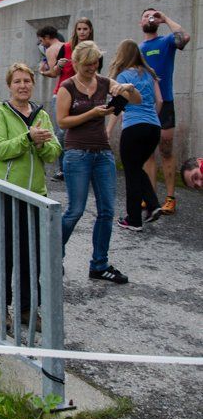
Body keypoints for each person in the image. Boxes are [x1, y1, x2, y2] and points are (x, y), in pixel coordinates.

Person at [56, 41, 141, 285]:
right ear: (76, 63)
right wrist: (92, 114)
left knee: (107, 211)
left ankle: (99, 265)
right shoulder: (67, 86)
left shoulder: (104, 82)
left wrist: (128, 88)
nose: (92, 68)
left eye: (95, 63)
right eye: (87, 64)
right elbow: (62, 122)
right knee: (75, 210)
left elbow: (135, 100)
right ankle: (53, 254)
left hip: (102, 153)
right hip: (76, 153)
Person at [0, 64, 61, 331]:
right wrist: (27, 138)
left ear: (32, 84)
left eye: (27, 81)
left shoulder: (42, 114)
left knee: (32, 254)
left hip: (34, 195)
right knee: (4, 252)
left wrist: (40, 144)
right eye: (17, 81)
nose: (23, 86)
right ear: (9, 85)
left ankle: (28, 308)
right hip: (4, 192)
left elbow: (54, 151)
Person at [139, 8, 190, 215]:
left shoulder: (167, 41)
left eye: (153, 15)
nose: (150, 18)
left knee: (166, 150)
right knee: (147, 153)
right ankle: (150, 197)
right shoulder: (138, 48)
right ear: (140, 23)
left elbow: (184, 37)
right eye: (146, 16)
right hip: (144, 105)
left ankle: (170, 198)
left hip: (165, 103)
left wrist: (165, 19)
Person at [108, 40, 163, 230]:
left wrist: (108, 130)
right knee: (137, 168)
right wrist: (151, 118)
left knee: (131, 172)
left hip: (133, 127)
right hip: (154, 127)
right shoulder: (150, 74)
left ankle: (134, 219)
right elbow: (160, 101)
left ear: (121, 55)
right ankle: (152, 205)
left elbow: (118, 106)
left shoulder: (123, 77)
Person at [46, 17, 98, 180]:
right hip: (62, 93)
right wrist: (58, 66)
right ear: (75, 31)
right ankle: (63, 168)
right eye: (79, 29)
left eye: (85, 29)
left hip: (84, 94)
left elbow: (96, 76)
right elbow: (54, 72)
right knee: (62, 132)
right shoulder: (66, 47)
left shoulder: (94, 50)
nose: (82, 32)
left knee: (85, 130)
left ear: (90, 31)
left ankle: (84, 167)